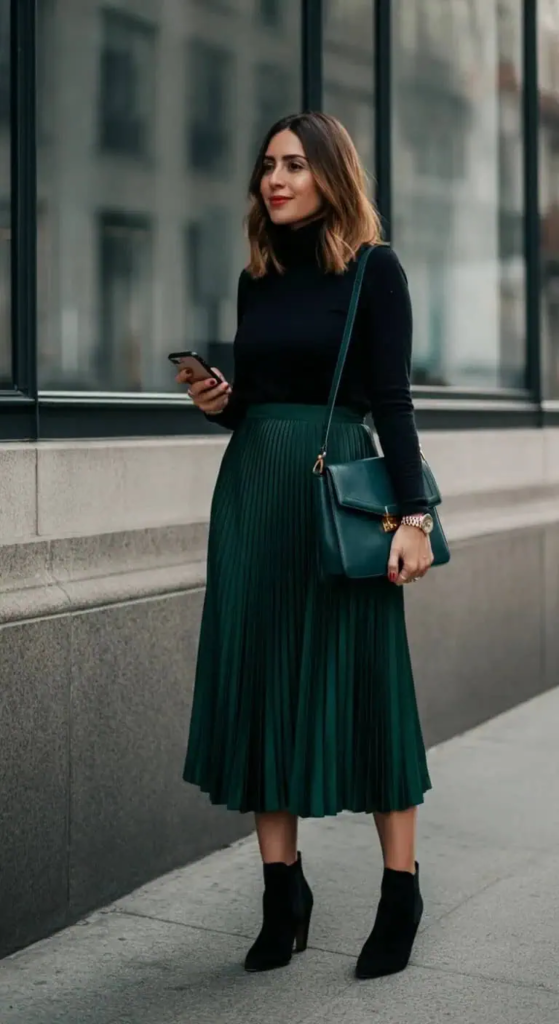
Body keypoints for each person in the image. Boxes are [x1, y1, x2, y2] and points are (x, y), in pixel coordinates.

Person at [179, 112, 434, 980]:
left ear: (331, 173)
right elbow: (265, 402)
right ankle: (281, 894)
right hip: (253, 493)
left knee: (366, 683)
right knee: (260, 683)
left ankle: (399, 890)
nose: (274, 180)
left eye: (293, 164)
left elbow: (391, 402)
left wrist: (415, 516)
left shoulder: (373, 269)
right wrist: (224, 405)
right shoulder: (257, 277)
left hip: (341, 502)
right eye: (265, 167)